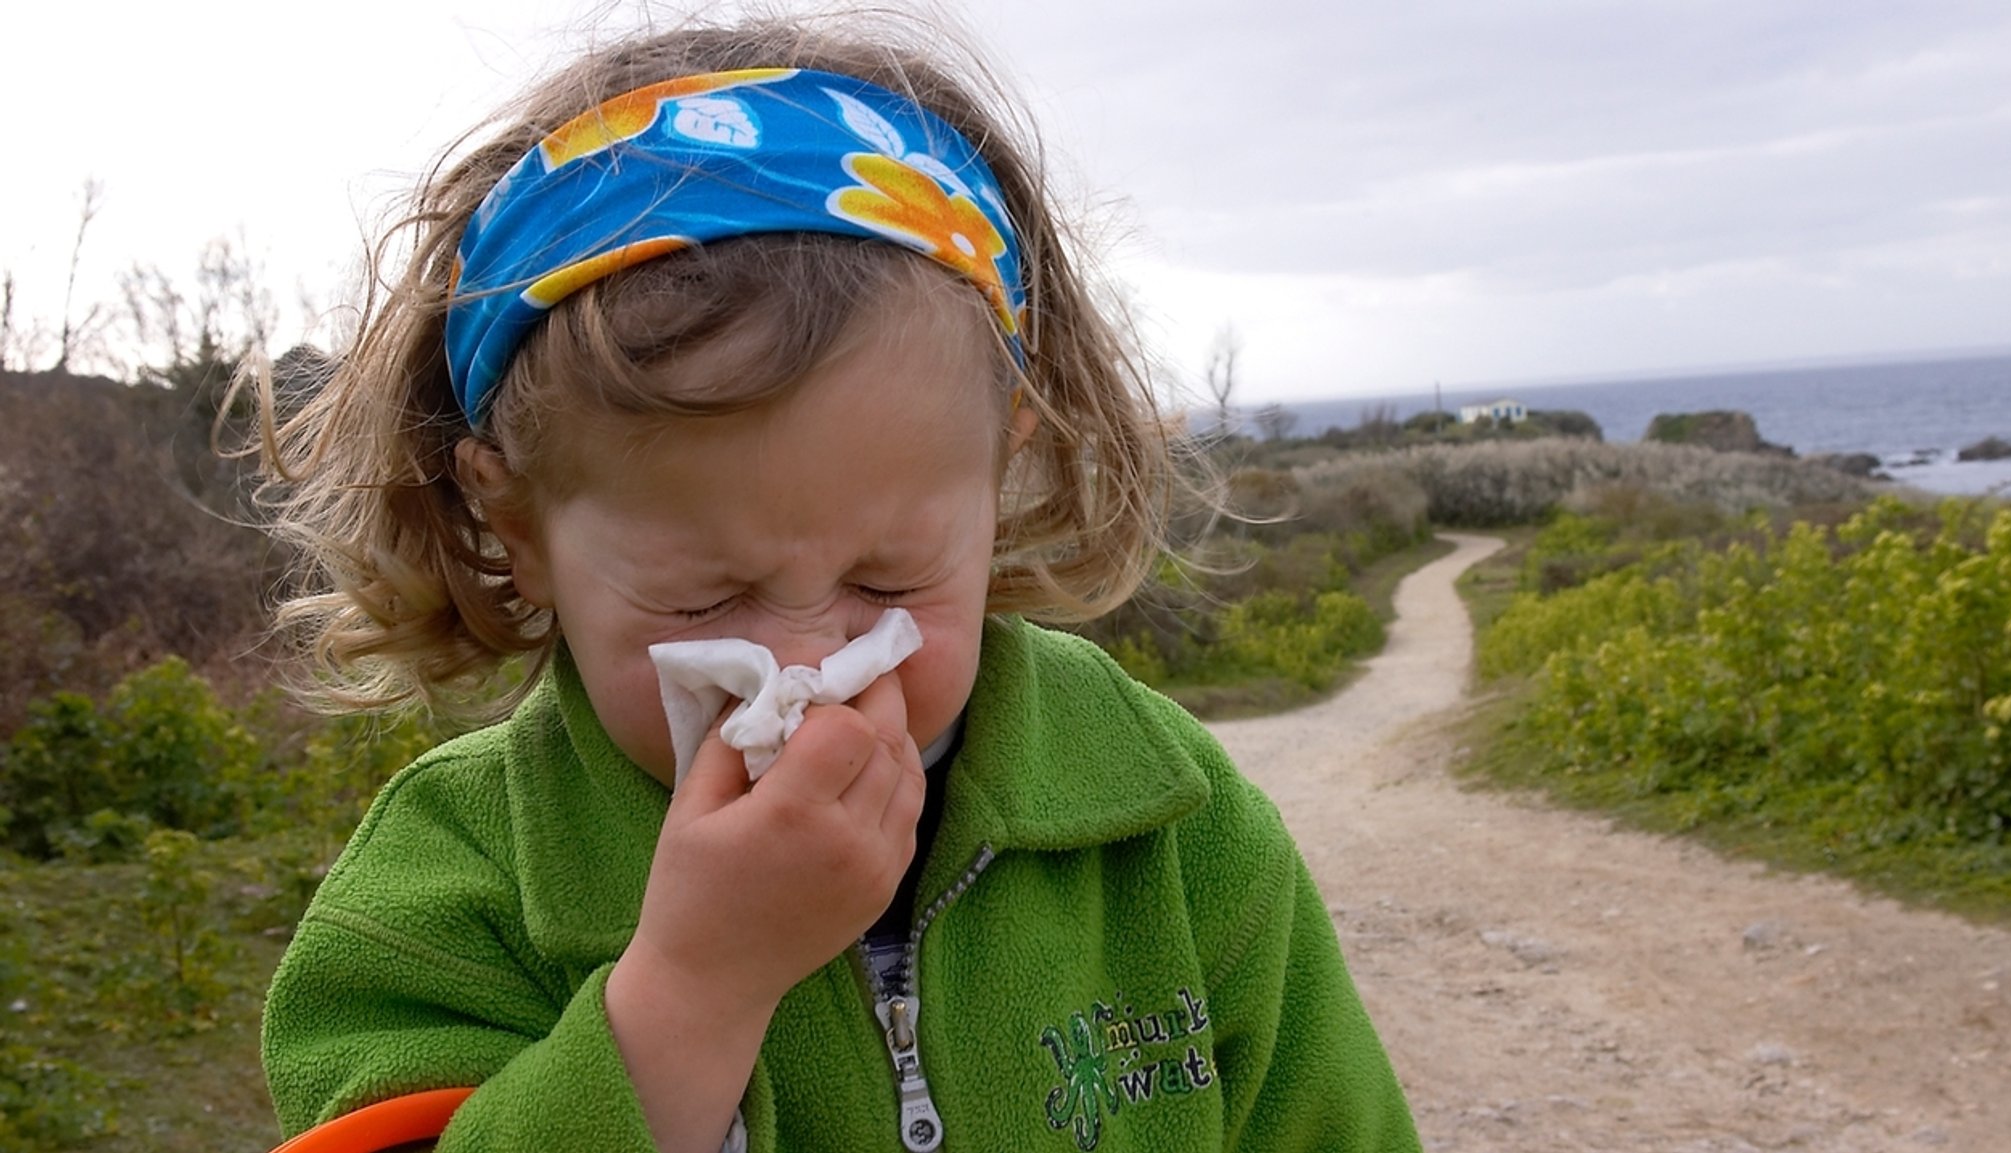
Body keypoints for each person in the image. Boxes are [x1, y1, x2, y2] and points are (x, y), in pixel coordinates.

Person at [256, 10, 1421, 1153]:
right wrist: (694, 990)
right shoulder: (453, 877)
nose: (808, 665)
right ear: (516, 527)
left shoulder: (1163, 814)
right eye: (705, 602)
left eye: (889, 576)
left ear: (999, 472)